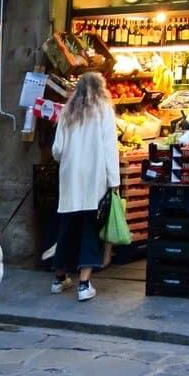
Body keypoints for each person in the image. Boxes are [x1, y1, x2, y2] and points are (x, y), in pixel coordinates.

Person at [50, 71, 120, 301]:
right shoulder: (103, 111)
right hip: (94, 177)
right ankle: (84, 284)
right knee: (91, 228)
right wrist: (114, 181)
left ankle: (59, 278)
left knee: (67, 227)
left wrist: (68, 161)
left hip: (70, 178)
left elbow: (57, 150)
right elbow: (110, 148)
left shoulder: (67, 112)